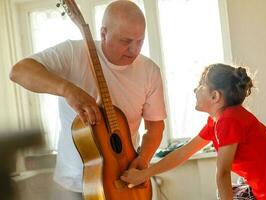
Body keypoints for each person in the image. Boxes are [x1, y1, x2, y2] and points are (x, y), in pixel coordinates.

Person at [9, 1, 166, 199]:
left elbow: (155, 127)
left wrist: (143, 160)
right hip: (73, 184)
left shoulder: (149, 71)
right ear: (103, 33)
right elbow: (18, 71)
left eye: (140, 41)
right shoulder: (73, 53)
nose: (134, 50)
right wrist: (67, 89)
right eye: (126, 41)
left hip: (123, 180)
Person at [121, 63, 266, 200]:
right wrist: (145, 173)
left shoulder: (228, 121)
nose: (195, 89)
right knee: (227, 190)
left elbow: (222, 172)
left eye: (200, 85)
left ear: (215, 96)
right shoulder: (218, 121)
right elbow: (183, 153)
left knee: (225, 190)